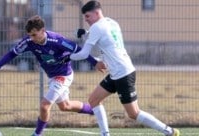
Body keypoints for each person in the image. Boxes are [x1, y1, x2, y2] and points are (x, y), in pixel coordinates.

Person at [70, 1, 180, 136]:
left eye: (87, 16)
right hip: (117, 73)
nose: (86, 20)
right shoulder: (111, 22)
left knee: (134, 113)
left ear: (96, 13)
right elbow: (105, 40)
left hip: (123, 74)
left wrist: (66, 56)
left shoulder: (97, 28)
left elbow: (84, 53)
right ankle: (105, 134)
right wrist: (86, 34)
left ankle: (169, 131)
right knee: (93, 100)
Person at [0, 15, 106, 136]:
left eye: (34, 35)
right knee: (65, 106)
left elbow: (78, 50)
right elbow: (13, 53)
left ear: (43, 30)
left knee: (44, 105)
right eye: (29, 35)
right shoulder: (28, 42)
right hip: (52, 76)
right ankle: (96, 111)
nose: (31, 38)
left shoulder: (57, 41)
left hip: (63, 75)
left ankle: (37, 134)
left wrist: (95, 62)